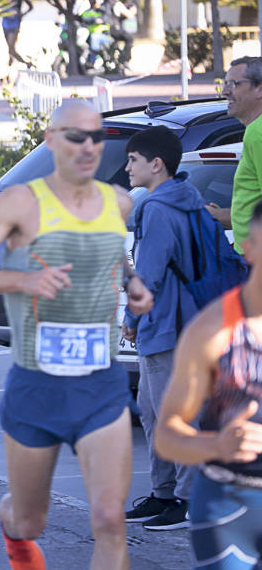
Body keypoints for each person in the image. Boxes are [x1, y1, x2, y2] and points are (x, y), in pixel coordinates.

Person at [0, 100, 153, 570]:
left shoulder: (119, 202)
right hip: (37, 390)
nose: (88, 148)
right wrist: (27, 279)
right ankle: (12, 525)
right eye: (75, 137)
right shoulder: (20, 202)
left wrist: (133, 289)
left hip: (100, 387)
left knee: (110, 518)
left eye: (97, 139)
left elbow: (120, 265)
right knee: (33, 516)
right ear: (51, 139)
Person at [155, 201, 262, 570]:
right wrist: (217, 444)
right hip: (230, 508)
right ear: (250, 247)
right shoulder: (213, 330)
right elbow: (167, 434)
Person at [121, 128, 201, 531]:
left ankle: (186, 501)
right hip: (181, 322)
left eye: (133, 159)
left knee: (169, 416)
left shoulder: (157, 208)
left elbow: (148, 276)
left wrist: (131, 321)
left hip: (165, 324)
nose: (126, 167)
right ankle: (164, 493)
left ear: (156, 164)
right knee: (153, 412)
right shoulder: (188, 198)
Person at [208, 58, 262, 245]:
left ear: (260, 89)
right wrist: (219, 215)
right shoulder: (254, 131)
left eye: (234, 84)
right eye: (225, 84)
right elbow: (253, 206)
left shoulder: (258, 132)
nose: (225, 92)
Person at [2, 0, 31, 68]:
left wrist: (22, 14)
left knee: (11, 49)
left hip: (14, 24)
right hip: (5, 24)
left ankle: (26, 63)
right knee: (10, 49)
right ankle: (12, 62)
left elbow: (30, 6)